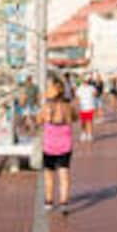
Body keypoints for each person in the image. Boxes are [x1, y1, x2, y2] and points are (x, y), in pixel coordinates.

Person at [41, 79, 76, 214]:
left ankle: (49, 202)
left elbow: (38, 120)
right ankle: (64, 204)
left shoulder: (46, 107)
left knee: (49, 176)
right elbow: (75, 117)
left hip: (49, 146)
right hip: (65, 146)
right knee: (64, 175)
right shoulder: (68, 106)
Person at [75, 75, 98, 143]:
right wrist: (77, 105)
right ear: (82, 81)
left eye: (86, 81)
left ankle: (89, 135)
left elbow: (95, 94)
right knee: (83, 122)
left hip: (90, 106)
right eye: (84, 81)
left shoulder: (92, 88)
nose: (85, 82)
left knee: (89, 121)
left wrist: (95, 106)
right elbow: (77, 97)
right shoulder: (79, 88)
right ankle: (83, 134)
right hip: (82, 107)